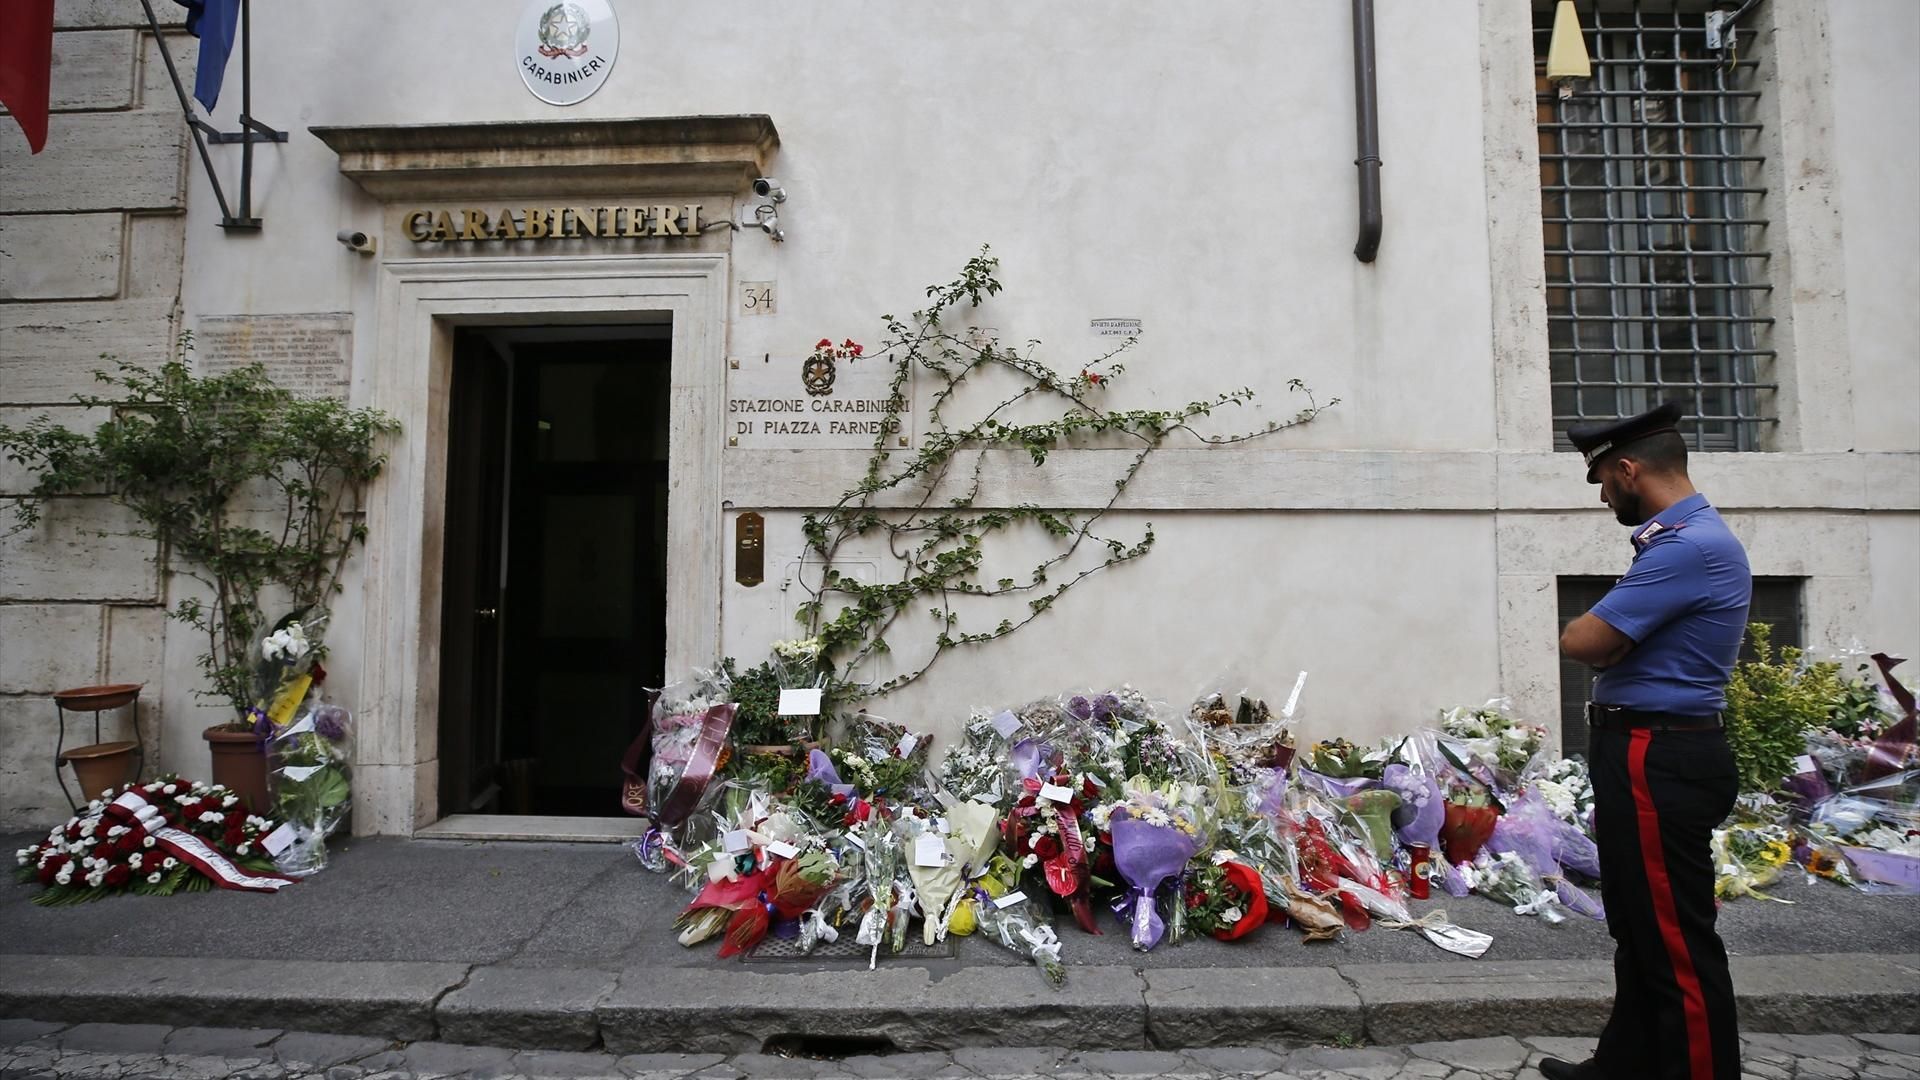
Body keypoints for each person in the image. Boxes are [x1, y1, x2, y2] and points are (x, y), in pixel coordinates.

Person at [1545, 401, 1752, 1080]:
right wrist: (1612, 645)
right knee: (1638, 927)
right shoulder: (1679, 542)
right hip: (1644, 750)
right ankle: (1623, 1067)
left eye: (1604, 480)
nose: (1604, 496)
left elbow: (1584, 640)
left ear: (1630, 470)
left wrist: (1605, 642)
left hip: (1655, 755)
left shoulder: (1687, 548)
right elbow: (1606, 644)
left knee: (1674, 943)